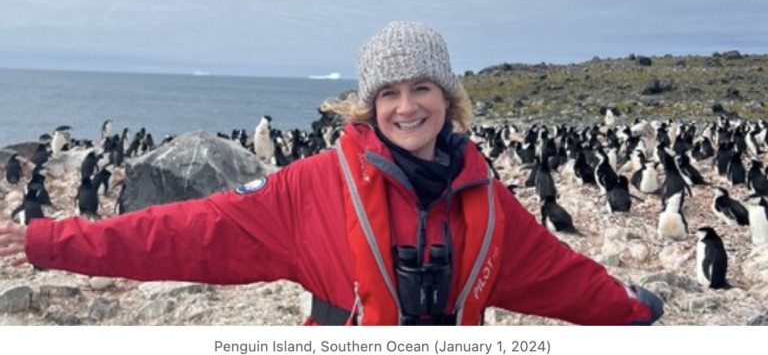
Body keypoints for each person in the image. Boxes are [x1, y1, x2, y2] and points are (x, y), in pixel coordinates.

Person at [0, 21, 663, 326]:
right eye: (389, 93)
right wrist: (47, 240)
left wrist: (632, 312)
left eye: (423, 88)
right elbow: (185, 232)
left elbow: (556, 274)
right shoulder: (309, 188)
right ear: (368, 106)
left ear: (448, 98)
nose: (407, 106)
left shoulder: (484, 197)